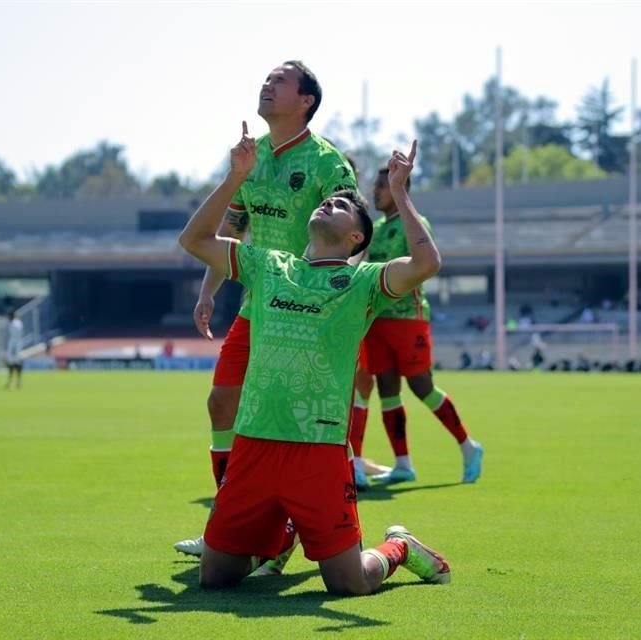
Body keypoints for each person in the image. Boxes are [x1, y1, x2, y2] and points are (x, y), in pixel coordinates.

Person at [178, 128, 450, 594]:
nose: (328, 204)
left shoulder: (364, 283)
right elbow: (194, 239)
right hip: (255, 442)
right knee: (216, 578)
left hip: (319, 449)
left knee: (348, 584)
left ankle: (399, 547)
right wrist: (234, 177)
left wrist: (401, 193)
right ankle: (278, 533)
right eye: (328, 202)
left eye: (342, 207)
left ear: (355, 236)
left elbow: (426, 264)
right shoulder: (270, 266)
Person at [175, 61, 356, 557]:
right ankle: (229, 525)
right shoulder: (248, 158)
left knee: (292, 421)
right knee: (221, 403)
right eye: (266, 79)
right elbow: (227, 232)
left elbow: (354, 236)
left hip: (308, 316)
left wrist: (338, 300)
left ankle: (284, 534)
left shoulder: (327, 163)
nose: (267, 85)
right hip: (258, 305)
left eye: (280, 82)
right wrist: (209, 290)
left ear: (306, 102)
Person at [357, 168, 483, 486]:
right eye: (375, 185)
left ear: (402, 188)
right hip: (378, 319)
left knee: (421, 386)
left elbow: (424, 264)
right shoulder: (377, 228)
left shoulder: (414, 223)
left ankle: (468, 446)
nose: (376, 191)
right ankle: (403, 463)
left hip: (407, 318)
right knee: (387, 389)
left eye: (382, 186)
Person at [4, 311, 24, 390]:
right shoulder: (16, 323)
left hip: (15, 346)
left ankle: (16, 381)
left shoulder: (15, 324)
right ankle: (13, 382)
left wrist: (14, 348)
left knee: (14, 363)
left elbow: (16, 336)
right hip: (15, 345)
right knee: (13, 363)